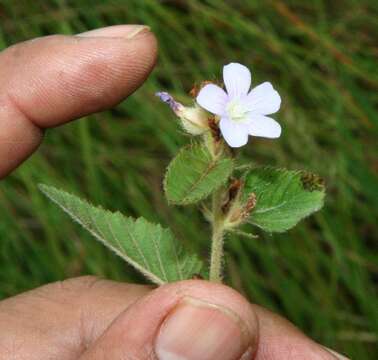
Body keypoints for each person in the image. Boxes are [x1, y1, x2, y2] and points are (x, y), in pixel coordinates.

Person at [0, 25, 347, 360]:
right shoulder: (215, 106)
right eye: (223, 112)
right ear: (214, 112)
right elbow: (187, 184)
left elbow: (229, 141)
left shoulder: (245, 117)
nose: (233, 110)